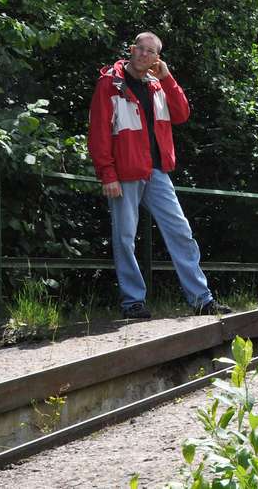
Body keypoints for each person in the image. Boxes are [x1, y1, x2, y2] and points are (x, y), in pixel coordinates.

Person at [88, 31, 231, 319]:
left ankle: (202, 300)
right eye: (140, 48)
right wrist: (108, 174)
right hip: (125, 172)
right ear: (131, 49)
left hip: (156, 172)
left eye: (151, 52)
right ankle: (133, 303)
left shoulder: (157, 84)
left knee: (181, 232)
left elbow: (181, 114)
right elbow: (99, 133)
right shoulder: (109, 84)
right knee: (124, 238)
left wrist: (167, 78)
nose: (144, 54)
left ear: (157, 58)